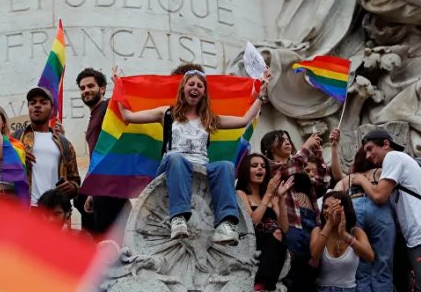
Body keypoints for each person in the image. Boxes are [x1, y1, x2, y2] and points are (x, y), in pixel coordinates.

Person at [116, 66, 269, 245]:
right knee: (176, 159)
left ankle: (225, 225)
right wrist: (119, 89)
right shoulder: (167, 113)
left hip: (201, 165)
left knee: (226, 166)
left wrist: (260, 95)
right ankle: (178, 217)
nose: (195, 87)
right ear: (183, 88)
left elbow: (243, 121)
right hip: (173, 164)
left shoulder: (209, 119)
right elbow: (128, 116)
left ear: (204, 92)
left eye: (200, 85)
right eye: (191, 84)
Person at [350, 129, 421, 292]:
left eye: (370, 148)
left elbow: (379, 195)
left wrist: (361, 180)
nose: (368, 155)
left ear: (385, 144)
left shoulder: (393, 157)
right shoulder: (401, 160)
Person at [261, 128, 332, 290]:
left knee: (312, 267)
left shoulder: (299, 168)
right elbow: (288, 168)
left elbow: (323, 183)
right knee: (291, 267)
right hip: (293, 222)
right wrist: (306, 146)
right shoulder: (269, 166)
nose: (287, 142)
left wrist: (319, 156)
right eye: (281, 139)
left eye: (288, 139)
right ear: (269, 147)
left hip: (312, 221)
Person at [334, 145, 396, 292]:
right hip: (380, 212)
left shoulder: (348, 179)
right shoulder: (381, 172)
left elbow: (334, 196)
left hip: (354, 209)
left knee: (360, 264)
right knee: (383, 262)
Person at [77, 68, 131, 235]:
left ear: (102, 89)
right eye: (82, 88)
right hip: (100, 186)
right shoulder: (94, 115)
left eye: (90, 86)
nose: (86, 90)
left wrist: (119, 86)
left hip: (109, 185)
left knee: (107, 242)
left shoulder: (107, 108)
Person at [13, 87, 81, 207]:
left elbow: (75, 180)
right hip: (24, 211)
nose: (37, 106)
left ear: (52, 109)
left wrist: (72, 188)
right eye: (32, 103)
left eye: (43, 102)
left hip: (54, 212)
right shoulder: (16, 138)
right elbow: (1, 170)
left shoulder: (64, 144)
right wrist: (18, 160)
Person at [236, 152, 292, 291]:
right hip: (254, 236)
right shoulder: (241, 194)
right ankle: (262, 282)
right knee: (277, 233)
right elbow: (253, 220)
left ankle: (264, 283)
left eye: (262, 166)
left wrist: (280, 198)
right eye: (254, 166)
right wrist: (268, 195)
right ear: (245, 171)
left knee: (279, 233)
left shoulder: (272, 197)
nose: (260, 168)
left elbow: (284, 228)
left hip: (275, 236)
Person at [310, 191, 375, 292]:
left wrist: (345, 235)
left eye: (333, 207)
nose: (328, 211)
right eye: (325, 207)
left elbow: (370, 256)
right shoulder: (318, 231)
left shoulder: (356, 232)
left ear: (345, 210)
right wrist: (329, 224)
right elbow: (315, 254)